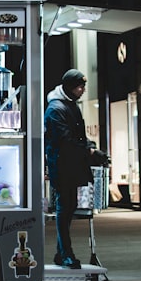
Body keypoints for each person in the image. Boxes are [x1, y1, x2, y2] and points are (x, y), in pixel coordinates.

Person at [44, 69, 109, 268]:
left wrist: (90, 147)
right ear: (69, 87)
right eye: (79, 86)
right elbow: (65, 140)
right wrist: (89, 152)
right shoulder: (56, 108)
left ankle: (61, 253)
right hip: (62, 167)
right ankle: (65, 254)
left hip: (70, 165)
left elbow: (77, 136)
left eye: (83, 86)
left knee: (68, 208)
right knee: (65, 210)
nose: (82, 90)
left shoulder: (69, 105)